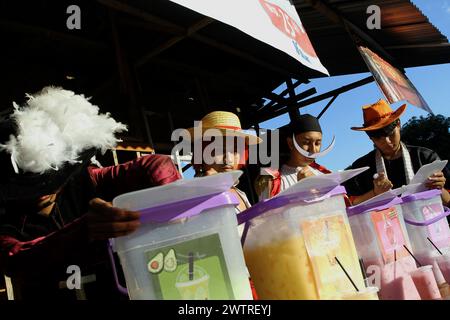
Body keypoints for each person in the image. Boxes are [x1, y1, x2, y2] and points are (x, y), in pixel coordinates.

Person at [0, 87, 181, 300]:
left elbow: (154, 164)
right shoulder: (5, 217)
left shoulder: (84, 181)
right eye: (29, 183)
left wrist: (171, 194)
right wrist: (86, 231)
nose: (43, 192)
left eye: (47, 178)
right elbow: (18, 259)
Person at [344, 99, 450, 206]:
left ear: (398, 124)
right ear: (370, 138)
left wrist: (439, 188)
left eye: (390, 134)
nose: (387, 142)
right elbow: (351, 204)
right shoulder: (361, 168)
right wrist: (375, 193)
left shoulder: (425, 157)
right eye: (378, 138)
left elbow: (448, 201)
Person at [187, 111, 261, 215]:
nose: (228, 159)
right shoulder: (193, 194)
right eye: (219, 150)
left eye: (235, 151)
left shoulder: (240, 193)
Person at [255, 114, 333, 200]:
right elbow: (268, 212)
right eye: (306, 143)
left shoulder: (325, 174)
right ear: (291, 143)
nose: (313, 150)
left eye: (317, 143)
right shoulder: (272, 182)